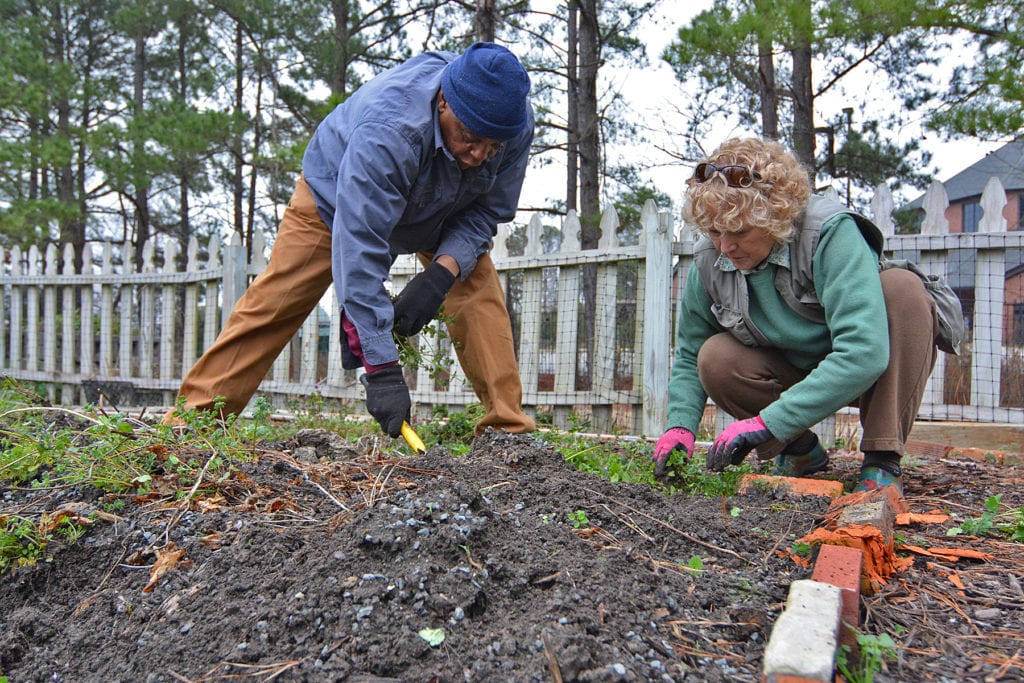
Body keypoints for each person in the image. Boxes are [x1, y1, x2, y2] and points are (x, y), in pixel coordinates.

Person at [164, 42, 536, 438]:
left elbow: (487, 211)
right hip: (335, 199)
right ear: (444, 101)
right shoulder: (389, 130)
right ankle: (190, 424)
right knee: (277, 301)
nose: (479, 155)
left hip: (446, 205)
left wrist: (439, 277)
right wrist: (382, 370)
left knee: (476, 291)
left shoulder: (512, 124)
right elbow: (360, 249)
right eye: (469, 136)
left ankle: (509, 435)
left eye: (492, 146)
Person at [653, 137, 942, 493]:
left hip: (870, 372)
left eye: (740, 232)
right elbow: (689, 351)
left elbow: (864, 352)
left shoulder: (830, 233)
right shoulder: (710, 260)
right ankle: (800, 450)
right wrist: (679, 427)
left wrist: (769, 422)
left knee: (903, 289)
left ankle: (881, 461)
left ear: (776, 218)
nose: (725, 246)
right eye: (714, 231)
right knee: (713, 356)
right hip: (788, 370)